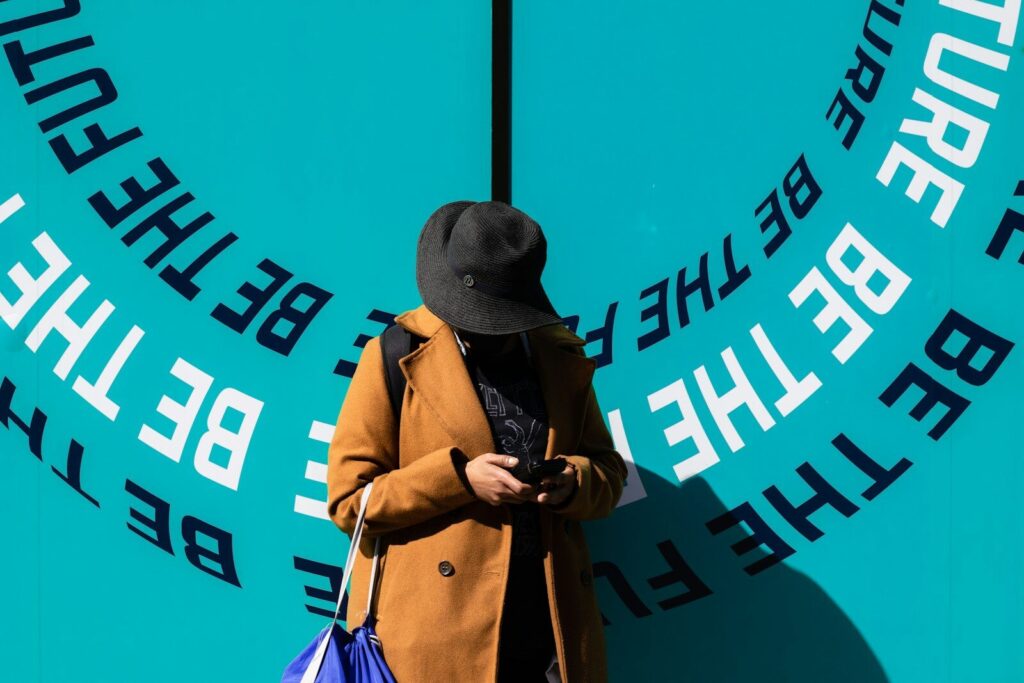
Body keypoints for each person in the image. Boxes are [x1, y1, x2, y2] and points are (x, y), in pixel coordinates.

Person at [326, 200, 628, 682]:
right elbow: (349, 501)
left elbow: (610, 472)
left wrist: (574, 481)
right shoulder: (394, 354)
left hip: (550, 640)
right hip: (434, 643)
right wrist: (460, 480)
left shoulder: (559, 355)